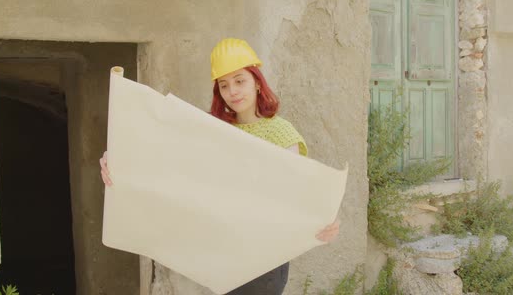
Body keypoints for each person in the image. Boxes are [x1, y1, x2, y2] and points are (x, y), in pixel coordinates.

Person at [100, 38, 340, 295]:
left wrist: (324, 220)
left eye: (240, 81)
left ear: (257, 82)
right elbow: (172, 167)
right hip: (224, 255)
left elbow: (296, 194)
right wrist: (119, 161)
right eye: (224, 85)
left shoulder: (282, 134)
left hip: (264, 258)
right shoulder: (214, 131)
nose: (232, 91)